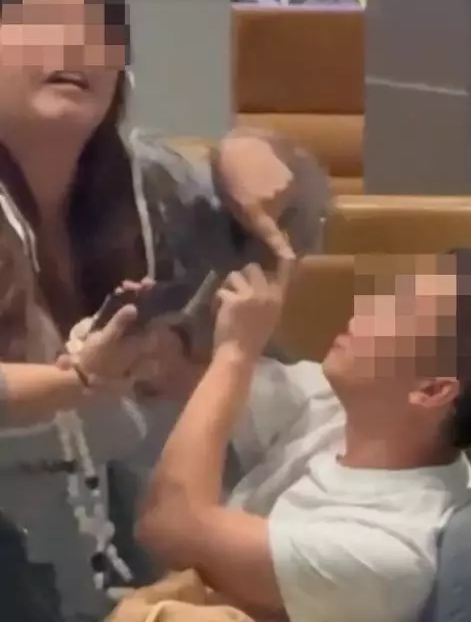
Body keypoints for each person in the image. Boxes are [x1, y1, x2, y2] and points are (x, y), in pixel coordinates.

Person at [0, 0, 329, 622]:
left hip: (156, 570)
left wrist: (255, 153)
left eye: (100, 29)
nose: (78, 45)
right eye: (43, 19)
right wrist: (73, 382)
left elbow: (300, 221)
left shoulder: (154, 183)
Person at [137, 251, 471, 622]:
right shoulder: (347, 407)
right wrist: (151, 343)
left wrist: (235, 351)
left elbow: (168, 525)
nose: (366, 307)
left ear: (431, 390)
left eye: (399, 311)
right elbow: (191, 382)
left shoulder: (387, 552)